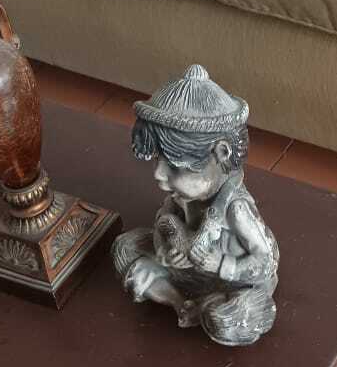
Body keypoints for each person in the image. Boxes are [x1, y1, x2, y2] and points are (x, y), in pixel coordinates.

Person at [111, 65, 279, 346]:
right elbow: (164, 222)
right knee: (124, 247)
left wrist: (222, 264)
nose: (158, 174)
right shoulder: (183, 196)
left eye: (175, 166)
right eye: (158, 161)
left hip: (230, 282)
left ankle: (204, 308)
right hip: (190, 274)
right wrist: (164, 251)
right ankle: (181, 304)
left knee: (226, 320)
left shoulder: (235, 209)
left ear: (220, 154)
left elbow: (267, 262)